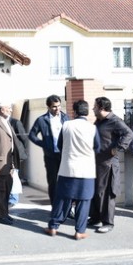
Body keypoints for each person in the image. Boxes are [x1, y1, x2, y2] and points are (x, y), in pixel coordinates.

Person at [44, 100, 100, 240]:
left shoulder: (66, 125)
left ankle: (53, 227)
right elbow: (97, 147)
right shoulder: (92, 128)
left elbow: (60, 145)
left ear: (74, 112)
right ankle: (79, 231)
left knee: (62, 198)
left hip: (67, 168)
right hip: (86, 170)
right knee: (84, 200)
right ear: (87, 112)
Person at [90, 96, 133, 234]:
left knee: (107, 192)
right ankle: (96, 217)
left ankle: (108, 222)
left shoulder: (115, 121)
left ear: (102, 108)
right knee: (97, 191)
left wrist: (118, 148)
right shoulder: (99, 121)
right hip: (97, 161)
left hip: (108, 163)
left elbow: (129, 134)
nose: (93, 109)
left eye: (95, 107)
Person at [28, 95, 69, 207]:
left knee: (65, 181)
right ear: (48, 107)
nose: (57, 109)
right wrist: (43, 144)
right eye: (54, 107)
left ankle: (66, 208)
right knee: (53, 182)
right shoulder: (41, 120)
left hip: (64, 155)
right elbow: (32, 135)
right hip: (50, 156)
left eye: (59, 106)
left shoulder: (66, 118)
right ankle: (55, 207)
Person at [8, 109, 28, 208]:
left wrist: (22, 150)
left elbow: (24, 138)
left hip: (15, 154)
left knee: (14, 175)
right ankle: (9, 198)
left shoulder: (15, 122)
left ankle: (13, 199)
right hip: (6, 155)